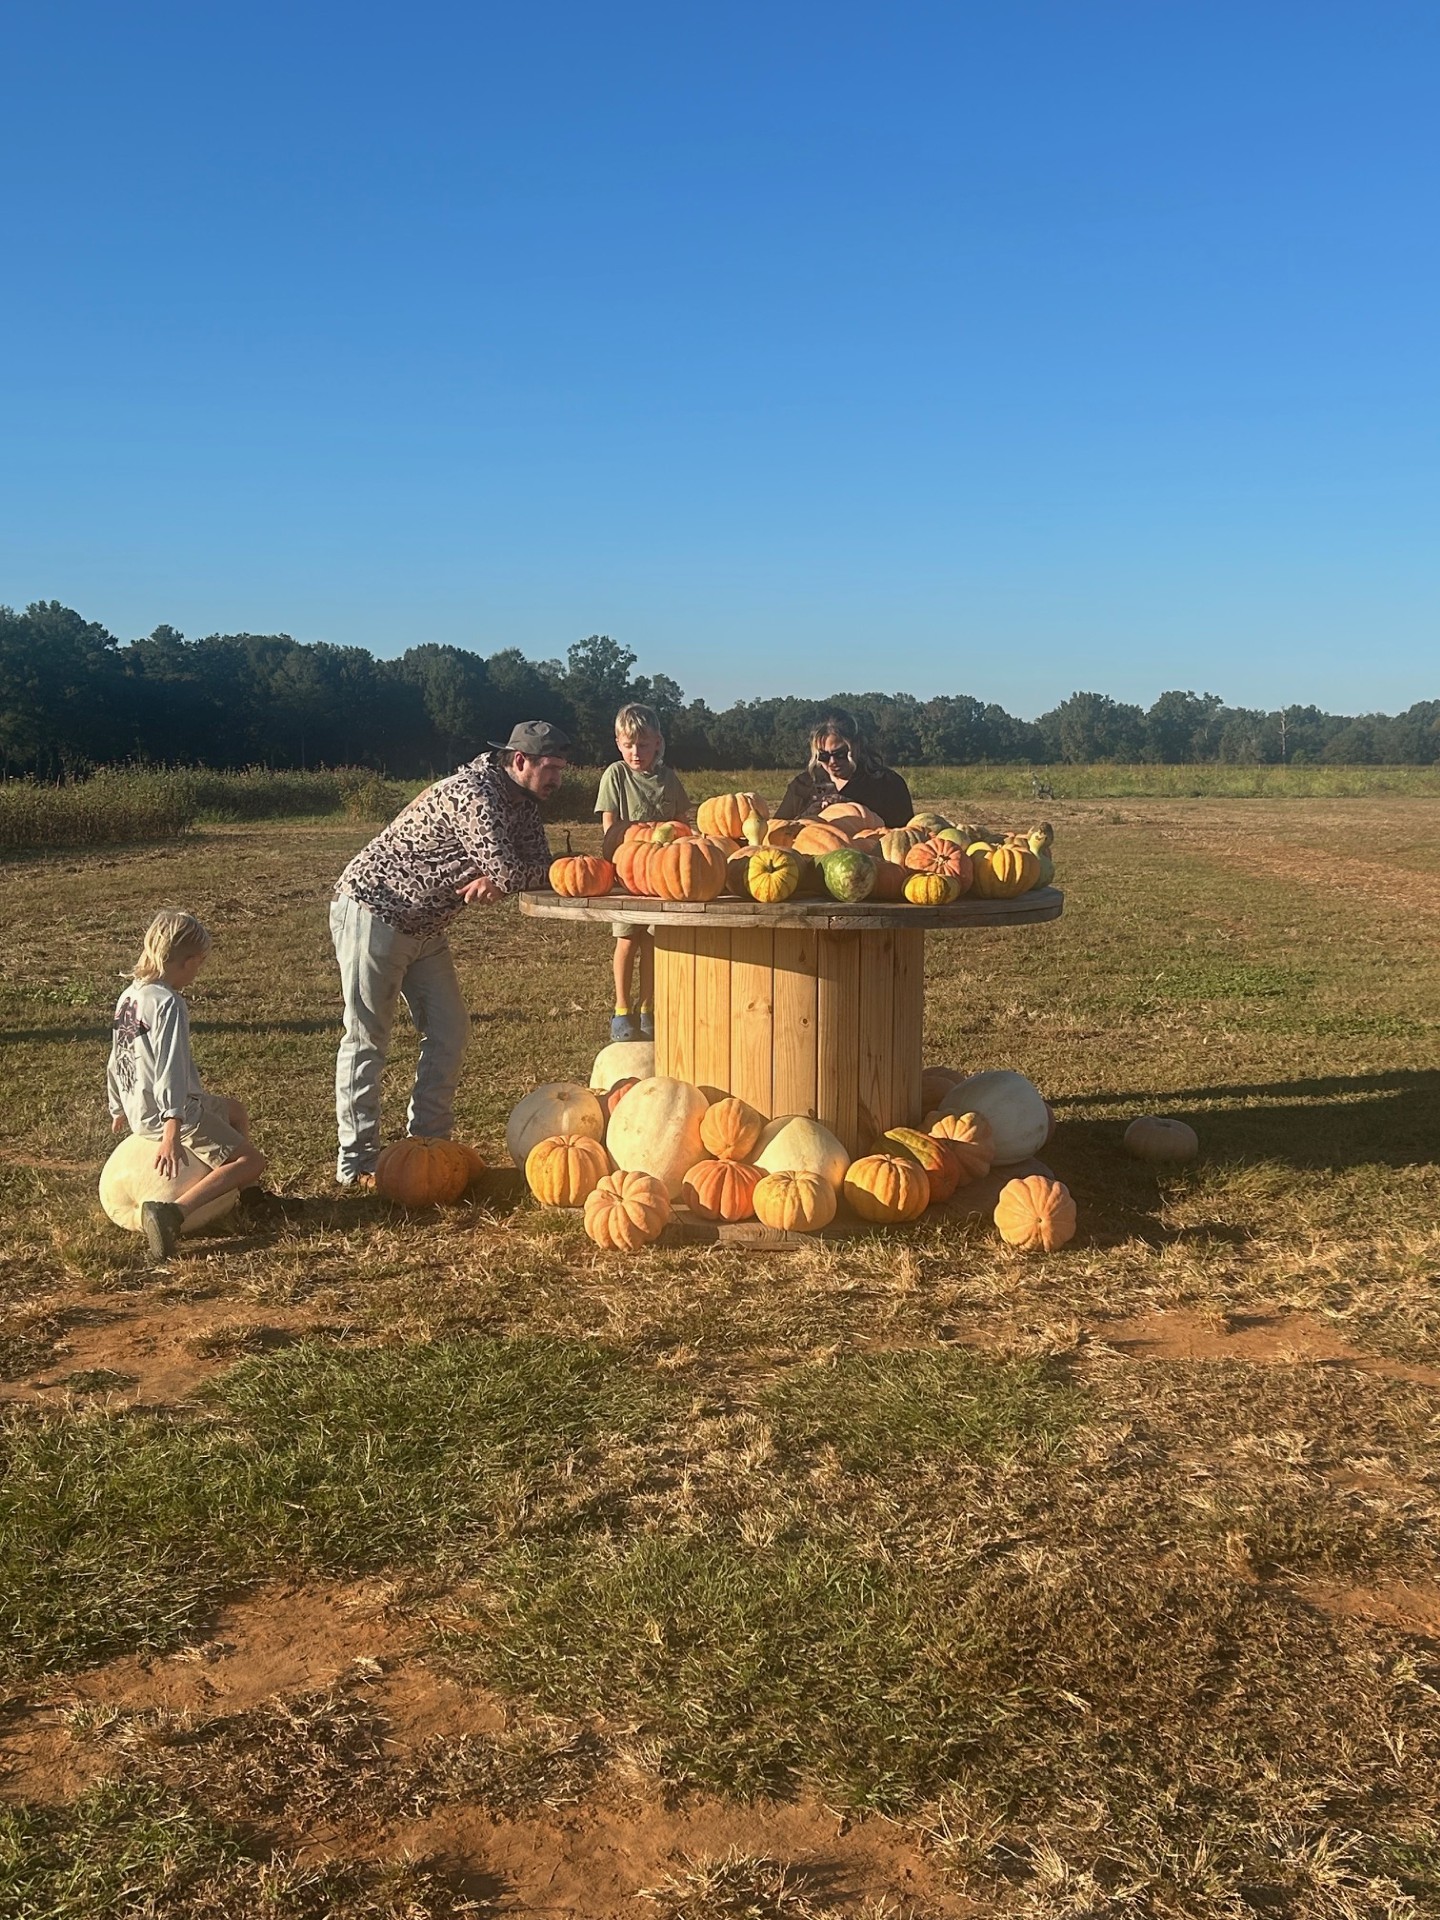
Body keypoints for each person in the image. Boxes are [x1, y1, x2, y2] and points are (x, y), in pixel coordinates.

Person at [330, 720, 569, 1187]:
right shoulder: (475, 795)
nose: (558, 779)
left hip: (426, 924)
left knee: (449, 1030)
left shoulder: (524, 802)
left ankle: (429, 1144)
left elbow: (538, 868)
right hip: (376, 911)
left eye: (561, 768)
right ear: (519, 761)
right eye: (551, 769)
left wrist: (509, 876)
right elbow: (514, 868)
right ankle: (357, 1162)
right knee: (367, 1038)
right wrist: (507, 875)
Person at [107, 910, 272, 1261]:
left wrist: (117, 1106)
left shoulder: (130, 996)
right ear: (186, 962)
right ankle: (172, 1213)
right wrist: (172, 1129)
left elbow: (118, 1055)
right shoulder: (169, 1004)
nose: (198, 973)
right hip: (175, 1112)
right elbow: (171, 1069)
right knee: (251, 1161)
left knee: (235, 1111)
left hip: (144, 1109)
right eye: (199, 965)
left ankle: (252, 1199)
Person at [596, 702, 690, 1042]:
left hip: (662, 877)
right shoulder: (616, 776)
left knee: (653, 941)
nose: (636, 752)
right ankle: (622, 1008)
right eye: (628, 744)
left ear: (657, 743)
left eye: (643, 744)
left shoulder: (669, 780)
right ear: (619, 744)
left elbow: (683, 826)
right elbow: (610, 832)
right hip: (626, 872)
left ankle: (648, 1006)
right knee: (626, 939)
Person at [775, 710, 914, 827]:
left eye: (840, 754)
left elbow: (905, 837)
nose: (832, 761)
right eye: (823, 756)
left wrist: (854, 809)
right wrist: (805, 817)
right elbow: (775, 834)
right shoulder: (802, 785)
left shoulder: (887, 784)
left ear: (857, 745)